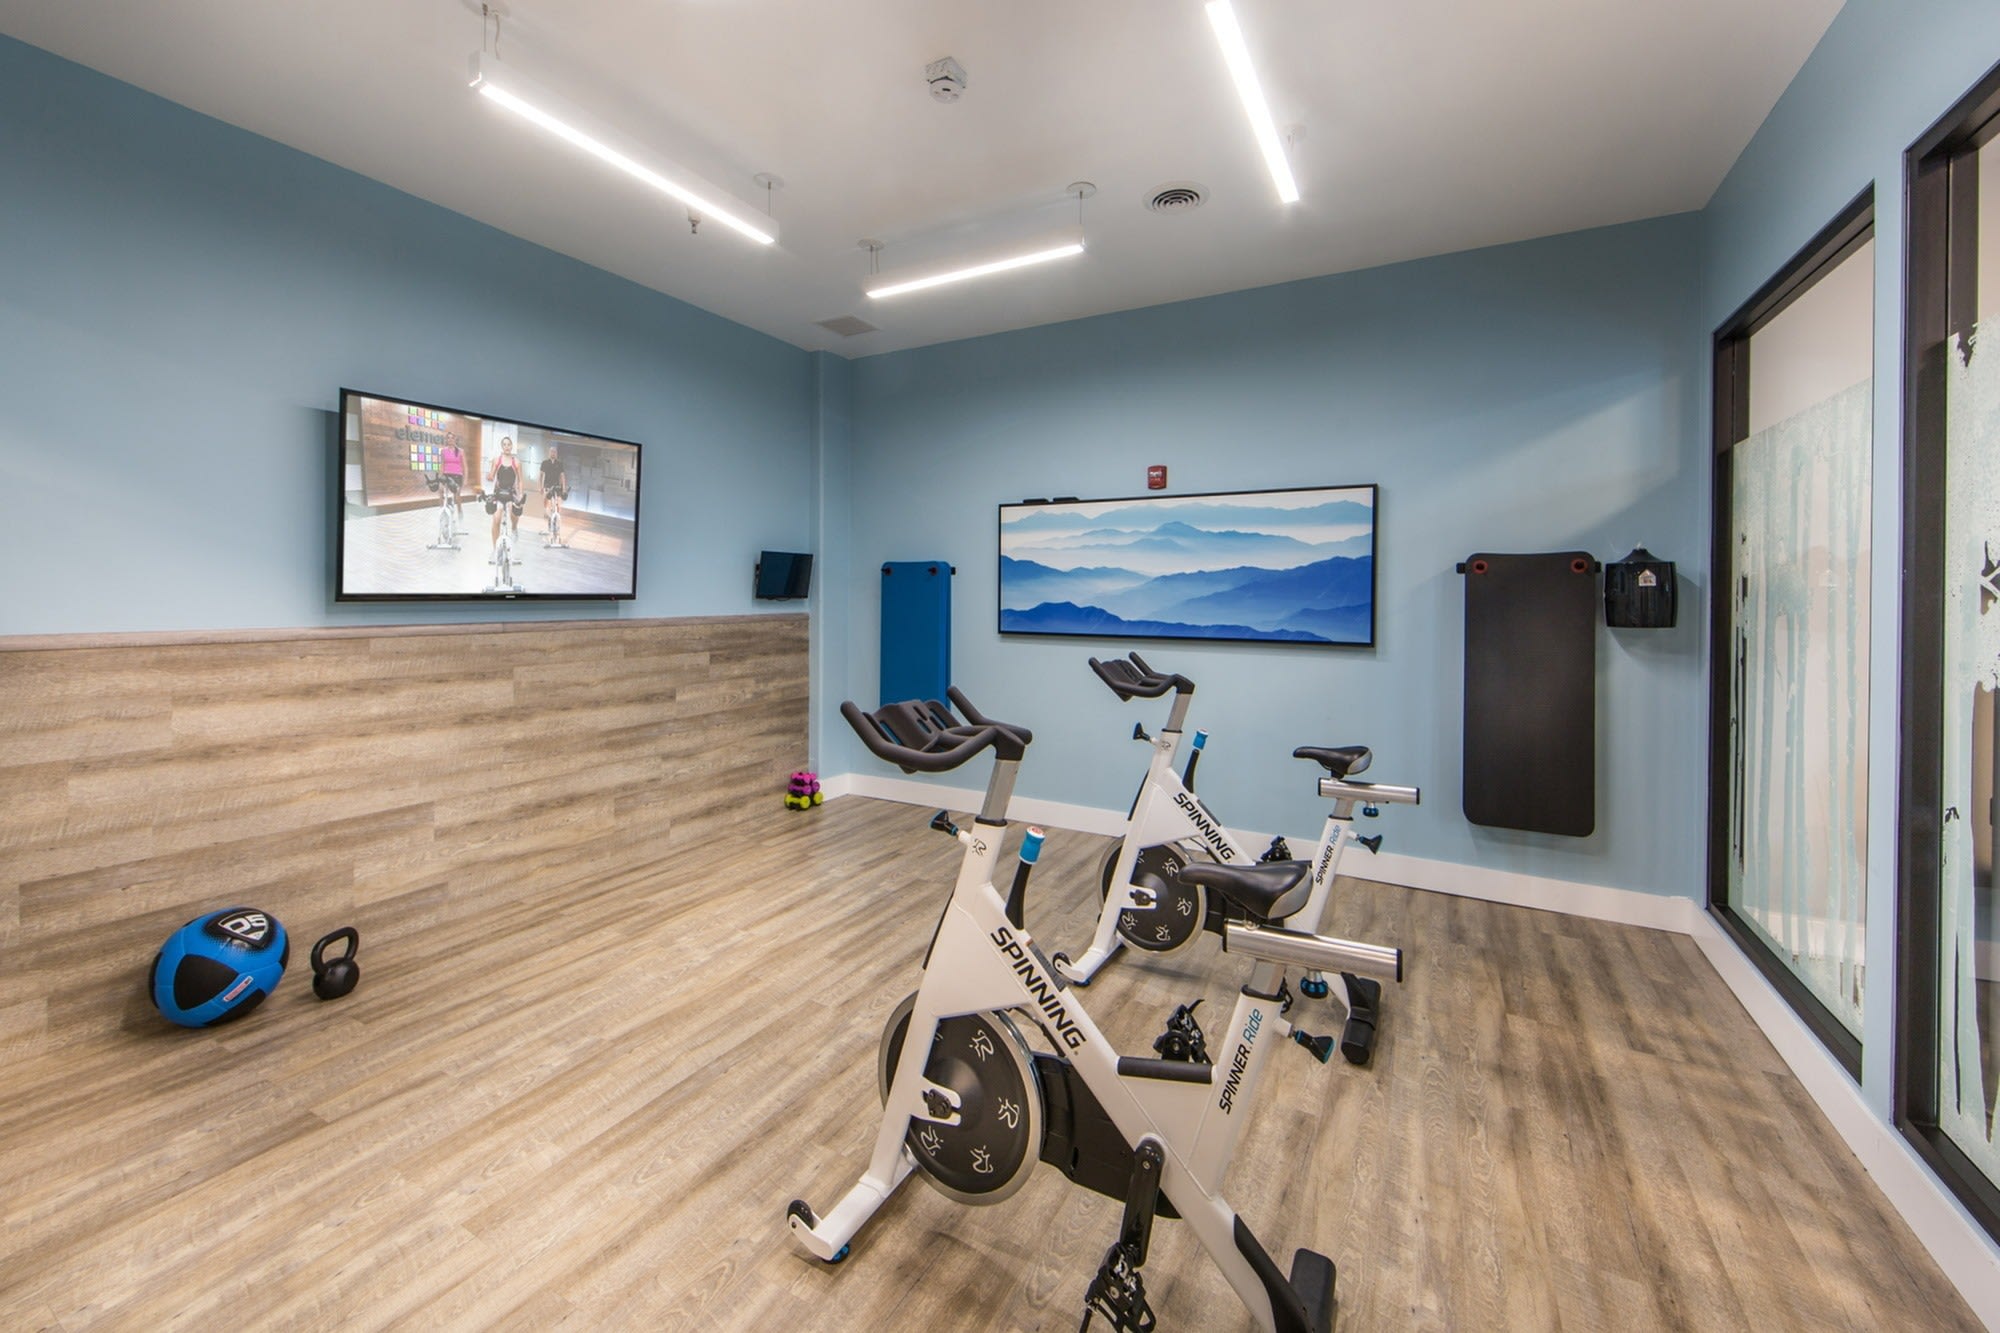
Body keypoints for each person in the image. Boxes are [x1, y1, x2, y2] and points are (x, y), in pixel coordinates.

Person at [484, 435, 525, 555]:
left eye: (509, 444)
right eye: (504, 444)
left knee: (514, 512)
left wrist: (520, 494)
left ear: (512, 446)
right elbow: (491, 476)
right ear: (502, 446)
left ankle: (514, 527)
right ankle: (495, 550)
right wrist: (489, 476)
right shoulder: (497, 460)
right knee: (496, 519)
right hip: (499, 492)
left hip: (511, 492)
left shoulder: (516, 462)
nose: (507, 447)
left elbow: (520, 480)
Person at [539, 445, 568, 547]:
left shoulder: (559, 464)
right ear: (549, 453)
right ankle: (549, 522)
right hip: (547, 486)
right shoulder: (545, 463)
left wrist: (564, 489)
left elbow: (562, 476)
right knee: (547, 506)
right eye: (551, 452)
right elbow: (541, 475)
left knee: (558, 505)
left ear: (556, 454)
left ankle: (556, 522)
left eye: (555, 452)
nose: (553, 453)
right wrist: (540, 487)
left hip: (557, 487)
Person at [438, 433, 466, 517]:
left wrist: (465, 479)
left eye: (452, 438)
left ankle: (460, 512)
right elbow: (442, 465)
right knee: (440, 489)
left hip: (457, 475)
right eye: (448, 438)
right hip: (446, 474)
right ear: (446, 440)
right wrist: (440, 477)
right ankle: (442, 510)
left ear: (455, 439)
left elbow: (464, 466)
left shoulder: (460, 451)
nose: (450, 439)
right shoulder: (443, 451)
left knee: (457, 495)